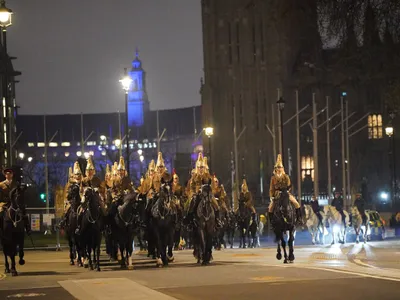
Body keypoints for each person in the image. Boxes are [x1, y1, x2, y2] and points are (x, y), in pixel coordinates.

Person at [187, 152, 221, 228]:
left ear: (204, 168)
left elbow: (212, 187)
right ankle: (189, 221)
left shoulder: (208, 176)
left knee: (216, 205)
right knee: (191, 204)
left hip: (208, 194)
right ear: (197, 168)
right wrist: (194, 193)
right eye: (199, 167)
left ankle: (217, 220)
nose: (200, 169)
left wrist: (210, 192)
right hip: (198, 195)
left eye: (202, 167)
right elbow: (191, 187)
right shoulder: (194, 177)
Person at [268, 154, 302, 225]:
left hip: (285, 192)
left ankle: (299, 218)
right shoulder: (273, 178)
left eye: (280, 168)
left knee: (296, 203)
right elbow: (271, 188)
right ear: (275, 169)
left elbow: (289, 184)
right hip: (277, 194)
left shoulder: (286, 176)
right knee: (270, 207)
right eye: (277, 168)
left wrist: (287, 190)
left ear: (282, 169)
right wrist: (271, 196)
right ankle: (271, 222)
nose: (279, 169)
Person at [75, 157, 103, 234]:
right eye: (88, 170)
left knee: (103, 210)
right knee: (80, 211)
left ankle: (104, 227)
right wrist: (85, 192)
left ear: (93, 171)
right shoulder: (84, 180)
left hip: (96, 199)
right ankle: (79, 227)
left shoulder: (97, 179)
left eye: (91, 170)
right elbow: (81, 190)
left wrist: (98, 190)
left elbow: (102, 189)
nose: (89, 172)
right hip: (86, 198)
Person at [0, 168, 31, 235]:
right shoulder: (1, 184)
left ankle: (27, 228)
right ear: (5, 175)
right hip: (4, 203)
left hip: (14, 202)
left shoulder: (16, 184)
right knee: (1, 212)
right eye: (7, 174)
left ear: (12, 175)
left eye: (10, 173)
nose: (8, 175)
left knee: (23, 211)